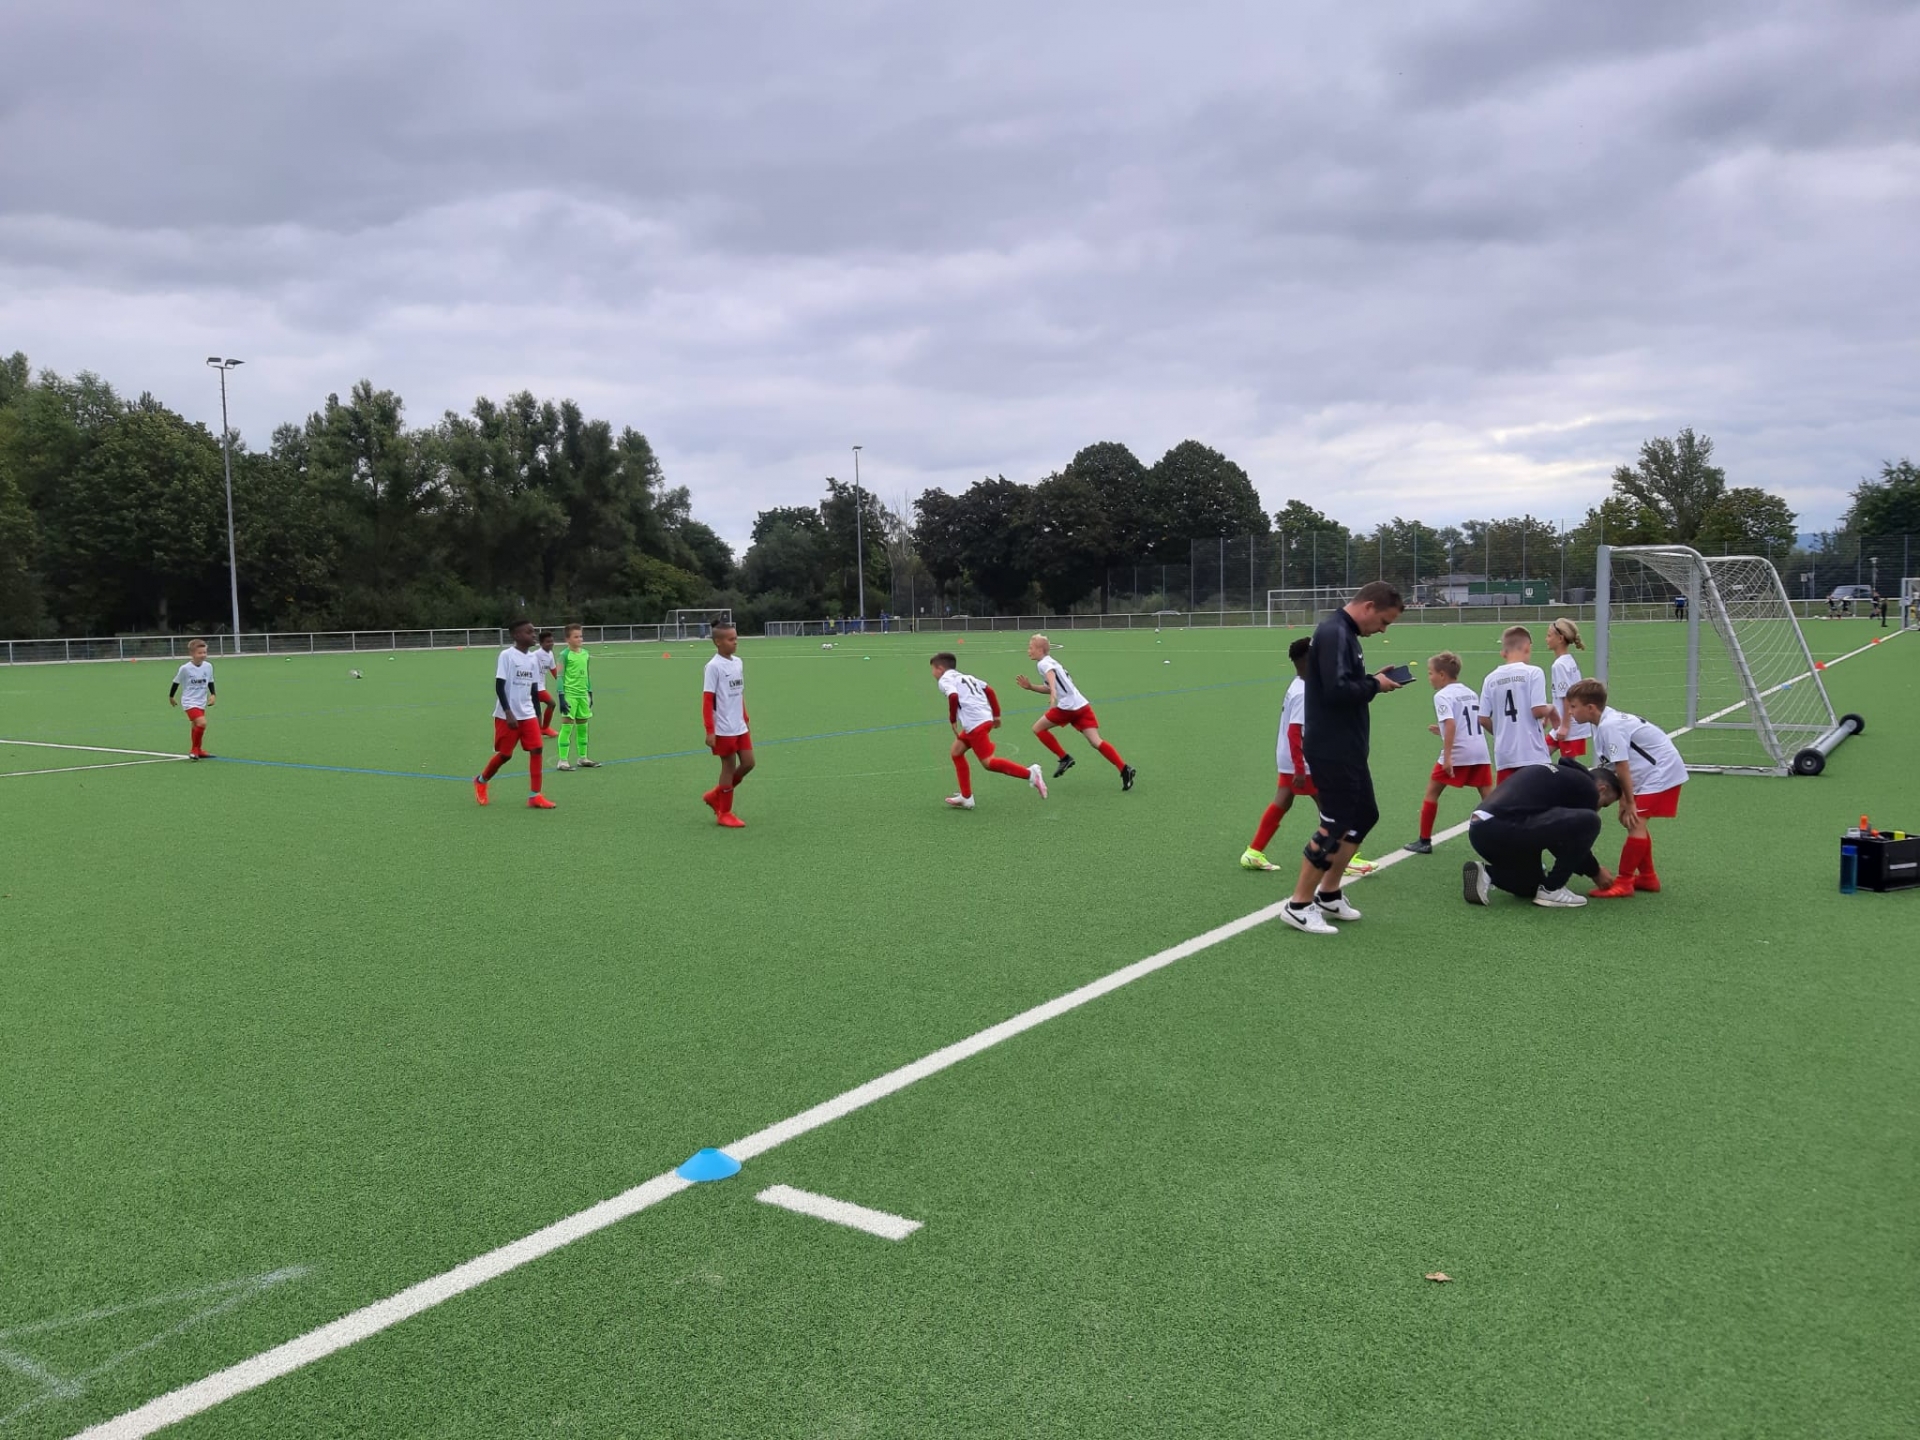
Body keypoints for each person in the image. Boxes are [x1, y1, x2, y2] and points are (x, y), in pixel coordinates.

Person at [1281, 581, 1405, 936]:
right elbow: (1336, 692)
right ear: (1368, 607)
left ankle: (1329, 893)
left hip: (1348, 746)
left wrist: (1372, 679)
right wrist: (1375, 685)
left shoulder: (1346, 633)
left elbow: (1341, 682)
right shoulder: (1335, 631)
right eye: (1383, 621)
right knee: (1333, 825)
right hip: (1331, 748)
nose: (1382, 629)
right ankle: (1298, 905)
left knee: (1364, 815)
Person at [1563, 679, 1687, 897]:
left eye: (1573, 706)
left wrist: (1629, 802)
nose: (1570, 712)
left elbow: (1622, 765)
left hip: (1660, 772)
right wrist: (1625, 799)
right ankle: (1648, 878)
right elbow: (1616, 765)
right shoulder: (1602, 722)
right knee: (1632, 822)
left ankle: (1625, 882)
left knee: (1635, 822)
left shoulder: (1610, 726)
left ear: (1590, 708)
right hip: (1649, 773)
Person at [1462, 761, 1622, 908]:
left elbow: (1555, 832)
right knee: (1590, 821)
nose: (1599, 808)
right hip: (1504, 828)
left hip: (1480, 831)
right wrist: (1595, 871)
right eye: (1604, 804)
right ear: (1602, 789)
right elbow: (1563, 841)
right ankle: (1552, 890)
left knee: (1530, 886)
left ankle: (1487, 874)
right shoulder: (1588, 789)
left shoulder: (1563, 776)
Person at [1015, 634, 1137, 790]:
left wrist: (1053, 695)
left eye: (1031, 648)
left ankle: (1064, 758)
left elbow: (1051, 677)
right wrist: (1031, 687)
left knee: (1038, 729)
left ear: (1040, 650)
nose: (1028, 650)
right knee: (1096, 741)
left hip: (1068, 708)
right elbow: (1051, 686)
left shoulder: (1043, 664)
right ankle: (1124, 769)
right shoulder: (1052, 661)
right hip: (1081, 705)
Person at [931, 651, 1048, 808]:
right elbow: (989, 690)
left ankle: (1031, 774)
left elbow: (953, 696)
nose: (933, 673)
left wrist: (952, 719)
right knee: (956, 752)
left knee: (988, 763)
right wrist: (996, 715)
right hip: (984, 719)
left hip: (975, 724)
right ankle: (966, 796)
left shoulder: (945, 680)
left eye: (933, 669)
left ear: (940, 668)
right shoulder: (967, 677)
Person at [1404, 650, 1493, 853]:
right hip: (1479, 750)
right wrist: (1441, 731)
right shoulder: (1470, 692)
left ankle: (1424, 841)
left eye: (1431, 673)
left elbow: (1451, 724)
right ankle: (1504, 835)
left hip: (1459, 752)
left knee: (1432, 792)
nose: (1429, 677)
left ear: (1442, 675)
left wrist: (1448, 756)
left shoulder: (1442, 696)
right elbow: (1468, 722)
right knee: (1490, 799)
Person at [1241, 638, 1313, 871]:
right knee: (1333, 809)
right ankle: (1344, 858)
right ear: (1307, 660)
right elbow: (1295, 732)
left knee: (1282, 801)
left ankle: (1253, 852)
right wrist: (1299, 768)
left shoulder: (1299, 683)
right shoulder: (1303, 692)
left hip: (1288, 757)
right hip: (1300, 760)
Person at [475, 619, 556, 809]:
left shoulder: (533, 659)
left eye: (533, 631)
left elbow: (534, 689)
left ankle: (535, 796)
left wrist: (537, 715)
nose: (533, 635)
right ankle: (481, 780)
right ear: (516, 635)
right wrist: (508, 711)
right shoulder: (507, 656)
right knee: (505, 755)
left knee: (537, 749)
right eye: (529, 632)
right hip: (508, 715)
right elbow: (499, 686)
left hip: (528, 713)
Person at [1479, 625, 1553, 784]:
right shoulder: (1533, 672)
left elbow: (1483, 718)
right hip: (1532, 754)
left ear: (1504, 651)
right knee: (1538, 797)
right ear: (1527, 647)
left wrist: (1501, 731)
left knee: (1508, 798)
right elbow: (1538, 710)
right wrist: (1551, 709)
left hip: (1505, 755)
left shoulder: (1490, 678)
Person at [702, 621, 753, 827]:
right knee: (728, 767)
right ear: (718, 642)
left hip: (739, 725)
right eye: (731, 639)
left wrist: (745, 718)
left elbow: (739, 694)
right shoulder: (713, 667)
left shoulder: (738, 662)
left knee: (749, 763)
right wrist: (710, 730)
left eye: (736, 638)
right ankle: (724, 812)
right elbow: (707, 701)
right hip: (723, 727)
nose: (735, 642)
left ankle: (716, 795)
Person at [1544, 617, 1592, 759]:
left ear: (1560, 638)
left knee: (1568, 766)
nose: (1546, 639)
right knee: (1539, 755)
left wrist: (1565, 726)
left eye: (1549, 635)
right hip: (1562, 724)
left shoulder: (1559, 665)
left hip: (1569, 727)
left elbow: (1567, 697)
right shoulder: (1569, 660)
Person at [555, 624, 599, 771]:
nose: (580, 639)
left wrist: (590, 692)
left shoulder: (586, 654)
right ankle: (562, 760)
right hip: (570, 695)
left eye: (580, 636)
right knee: (567, 727)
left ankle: (583, 758)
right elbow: (560, 676)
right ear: (567, 639)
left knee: (583, 727)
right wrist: (561, 697)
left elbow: (587, 674)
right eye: (576, 636)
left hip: (582, 695)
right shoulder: (564, 655)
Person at [168, 638, 217, 760]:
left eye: (204, 652)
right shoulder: (185, 668)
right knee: (202, 723)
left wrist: (213, 694)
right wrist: (171, 696)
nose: (203, 655)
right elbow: (176, 682)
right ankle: (194, 749)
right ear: (192, 654)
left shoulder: (208, 666)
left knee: (195, 725)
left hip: (201, 701)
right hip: (189, 701)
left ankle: (198, 750)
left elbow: (210, 681)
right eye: (200, 653)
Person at [536, 629, 560, 736]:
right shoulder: (535, 655)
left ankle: (541, 729)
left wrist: (562, 683)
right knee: (551, 703)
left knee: (535, 709)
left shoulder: (550, 654)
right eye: (548, 642)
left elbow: (554, 670)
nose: (551, 644)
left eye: (552, 641)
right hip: (534, 687)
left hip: (541, 686)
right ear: (541, 643)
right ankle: (544, 728)